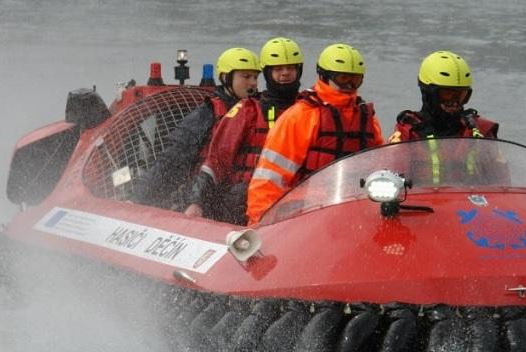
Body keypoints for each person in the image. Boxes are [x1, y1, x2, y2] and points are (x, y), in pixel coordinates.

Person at [246, 42, 384, 225]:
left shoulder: (366, 117)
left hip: (353, 209)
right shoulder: (301, 116)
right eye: (343, 79)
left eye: (355, 80)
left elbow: (382, 164)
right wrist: (259, 224)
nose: (349, 85)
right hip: (305, 213)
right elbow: (269, 178)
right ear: (324, 76)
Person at [183, 37, 304, 224]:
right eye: (278, 69)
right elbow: (217, 160)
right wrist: (197, 202)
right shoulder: (248, 110)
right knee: (238, 196)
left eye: (290, 69)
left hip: (297, 200)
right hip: (243, 201)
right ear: (268, 72)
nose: (285, 74)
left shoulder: (309, 110)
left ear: (299, 70)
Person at [133, 47, 261, 209]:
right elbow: (173, 160)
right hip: (205, 198)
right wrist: (138, 197)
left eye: (255, 77)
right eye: (246, 76)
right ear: (225, 78)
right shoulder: (207, 113)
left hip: (242, 198)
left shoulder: (260, 113)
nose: (253, 83)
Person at [389, 51, 498, 143]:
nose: (455, 103)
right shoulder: (408, 134)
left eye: (460, 96)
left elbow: (499, 167)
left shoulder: (479, 132)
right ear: (428, 92)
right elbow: (391, 165)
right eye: (447, 94)